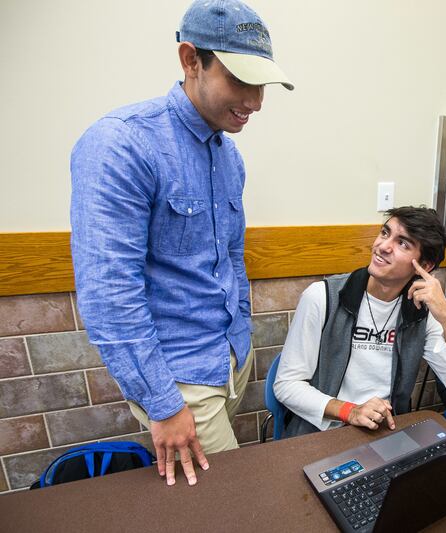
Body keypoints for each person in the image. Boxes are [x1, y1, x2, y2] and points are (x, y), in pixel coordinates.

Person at [70, 0, 293, 486]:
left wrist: (243, 328)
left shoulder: (229, 156)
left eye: (262, 85)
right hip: (180, 375)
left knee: (207, 497)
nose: (255, 101)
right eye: (240, 80)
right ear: (191, 60)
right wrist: (164, 404)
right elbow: (109, 294)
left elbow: (231, 256)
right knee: (231, 499)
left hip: (230, 357)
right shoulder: (121, 144)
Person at [274, 207, 446, 438]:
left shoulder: (421, 314)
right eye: (385, 233)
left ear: (424, 266)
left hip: (387, 435)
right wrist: (350, 411)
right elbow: (286, 385)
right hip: (321, 433)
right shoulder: (322, 297)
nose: (383, 246)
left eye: (402, 243)